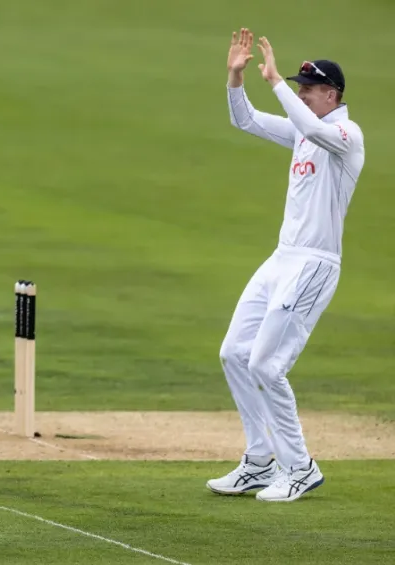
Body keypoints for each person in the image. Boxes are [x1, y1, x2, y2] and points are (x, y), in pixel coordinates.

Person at [207, 29, 365, 502]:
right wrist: (236, 78)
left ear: (331, 95)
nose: (299, 93)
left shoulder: (344, 134)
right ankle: (259, 461)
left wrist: (274, 80)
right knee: (234, 353)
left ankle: (299, 467)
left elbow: (315, 129)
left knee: (268, 365)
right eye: (296, 86)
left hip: (315, 264)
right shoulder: (303, 128)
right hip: (282, 258)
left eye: (307, 88)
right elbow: (247, 121)